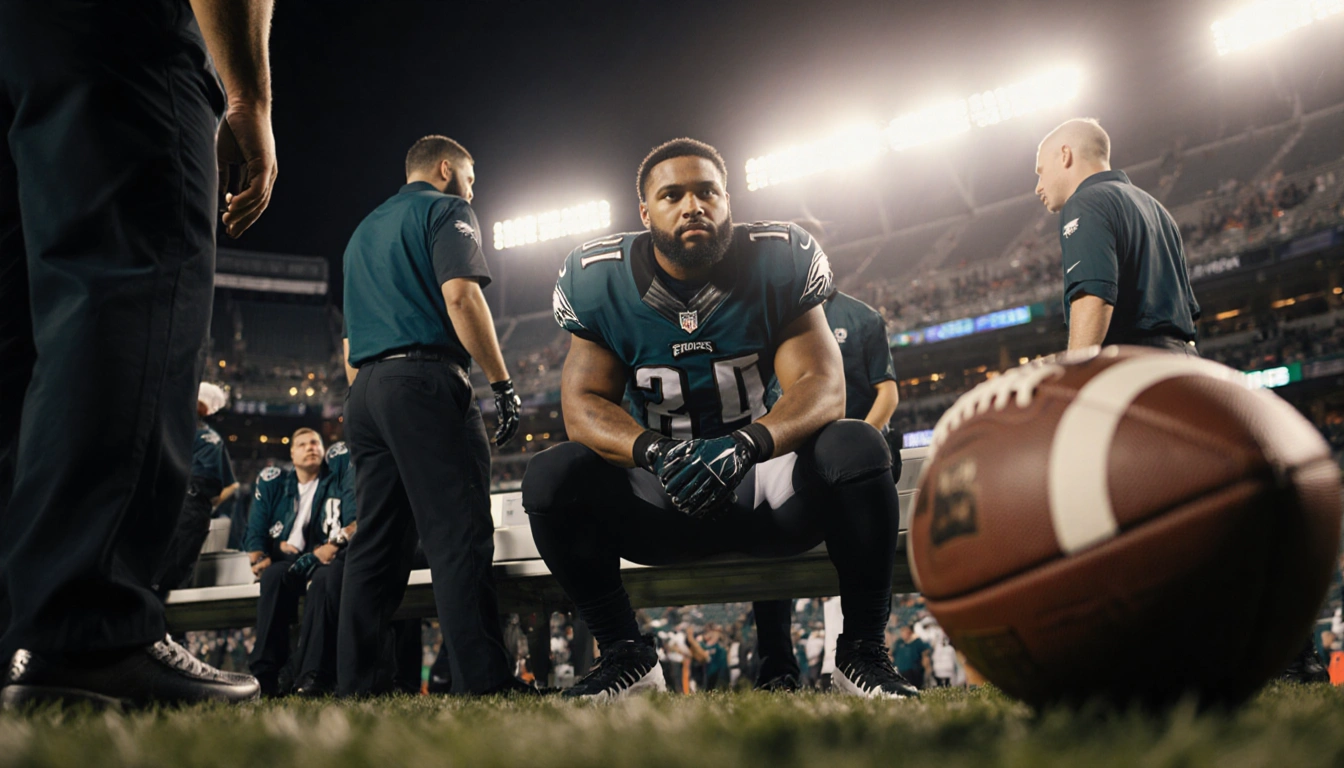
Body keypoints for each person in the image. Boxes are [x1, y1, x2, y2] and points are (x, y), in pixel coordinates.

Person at [523, 138, 918, 700]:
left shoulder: (779, 259)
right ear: (645, 212)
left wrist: (746, 444)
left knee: (857, 446)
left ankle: (861, 653)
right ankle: (626, 653)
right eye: (672, 194)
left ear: (727, 199)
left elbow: (823, 388)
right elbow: (582, 405)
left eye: (707, 191)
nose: (692, 206)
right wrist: (656, 453)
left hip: (767, 482)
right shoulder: (599, 280)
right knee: (549, 477)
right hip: (661, 495)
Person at [0, 0, 276, 708]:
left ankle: (19, 639)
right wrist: (248, 95)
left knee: (22, 329)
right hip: (109, 32)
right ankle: (84, 629)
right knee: (130, 278)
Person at [338, 135, 526, 697]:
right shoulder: (448, 208)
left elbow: (350, 342)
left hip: (365, 390)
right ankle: (484, 683)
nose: (473, 189)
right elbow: (462, 297)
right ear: (445, 169)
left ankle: (358, 688)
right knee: (458, 534)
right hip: (425, 377)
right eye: (471, 176)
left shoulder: (361, 231)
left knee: (376, 543)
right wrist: (503, 383)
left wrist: (372, 398)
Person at [755, 287, 902, 690]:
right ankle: (776, 670)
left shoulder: (862, 316)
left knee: (863, 552)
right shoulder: (767, 314)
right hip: (789, 453)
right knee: (766, 545)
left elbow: (886, 391)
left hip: (851, 461)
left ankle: (862, 654)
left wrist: (859, 448)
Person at [1033, 118, 1200, 353]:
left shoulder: (1085, 202)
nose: (1038, 187)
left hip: (1134, 368)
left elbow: (1093, 299)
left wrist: (1075, 373)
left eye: (1041, 172)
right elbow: (1188, 312)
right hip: (1182, 363)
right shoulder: (1156, 208)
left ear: (1064, 155)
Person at [245, 430, 356, 696]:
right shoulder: (277, 483)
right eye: (302, 444)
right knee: (273, 577)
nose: (310, 448)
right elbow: (254, 534)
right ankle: (265, 675)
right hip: (290, 562)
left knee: (322, 580)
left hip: (326, 560)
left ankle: (312, 676)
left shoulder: (336, 479)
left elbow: (354, 521)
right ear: (291, 454)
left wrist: (332, 546)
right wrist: (266, 554)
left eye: (315, 443)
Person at [152, 382, 239, 596]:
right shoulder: (177, 429)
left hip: (187, 505)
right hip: (173, 503)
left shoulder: (207, 438)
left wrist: (203, 502)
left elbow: (231, 484)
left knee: (167, 580)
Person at [891, 625, 930, 691]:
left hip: (913, 672)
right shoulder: (899, 643)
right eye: (902, 631)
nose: (903, 634)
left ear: (910, 632)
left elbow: (925, 654)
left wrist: (927, 669)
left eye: (905, 631)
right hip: (900, 671)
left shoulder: (917, 642)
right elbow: (892, 654)